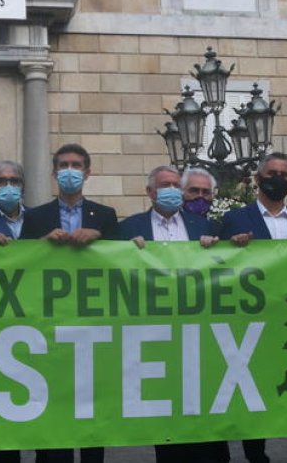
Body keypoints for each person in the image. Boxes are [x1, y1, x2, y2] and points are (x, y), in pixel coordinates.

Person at [9, 143, 117, 463]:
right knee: (53, 405)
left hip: (92, 325)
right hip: (50, 326)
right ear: (54, 172)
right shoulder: (36, 216)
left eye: (76, 165)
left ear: (88, 172)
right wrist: (41, 245)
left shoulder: (105, 216)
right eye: (64, 165)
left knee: (91, 405)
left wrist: (100, 238)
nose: (70, 171)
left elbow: (123, 263)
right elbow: (21, 264)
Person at [121, 165, 226, 463]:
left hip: (199, 331)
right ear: (150, 192)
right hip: (156, 335)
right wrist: (125, 252)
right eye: (164, 185)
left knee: (207, 404)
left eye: (175, 185)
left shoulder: (205, 226)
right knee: (167, 410)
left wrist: (217, 248)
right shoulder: (129, 229)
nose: (172, 190)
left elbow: (226, 267)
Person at [219, 152, 287, 463]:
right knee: (253, 391)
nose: (278, 179)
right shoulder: (235, 220)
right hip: (251, 323)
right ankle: (256, 456)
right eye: (272, 173)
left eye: (284, 174)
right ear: (258, 178)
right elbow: (218, 266)